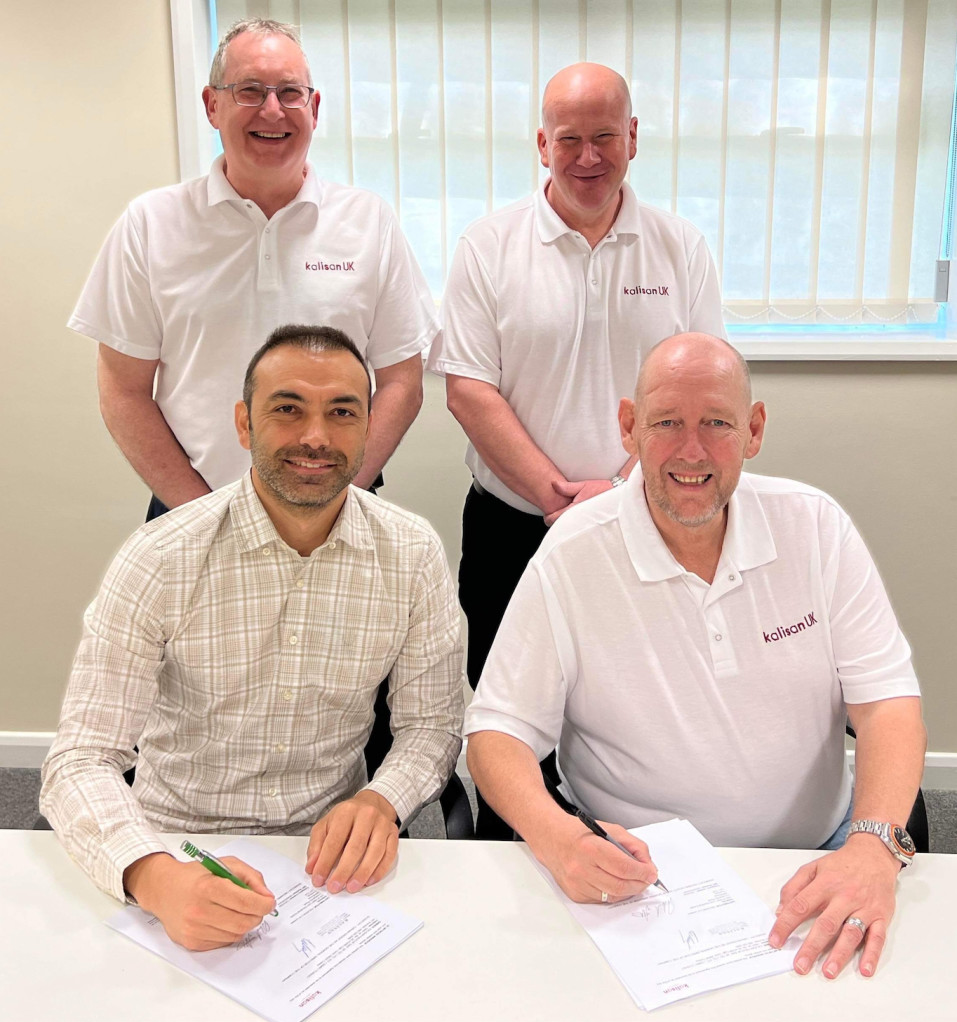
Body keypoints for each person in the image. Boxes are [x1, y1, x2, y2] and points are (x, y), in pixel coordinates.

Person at [465, 332, 925, 981]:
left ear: (753, 429)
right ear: (628, 428)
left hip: (815, 858)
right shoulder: (571, 554)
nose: (690, 450)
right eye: (665, 424)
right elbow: (496, 732)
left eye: (715, 423)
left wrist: (873, 845)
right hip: (637, 885)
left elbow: (887, 705)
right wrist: (556, 834)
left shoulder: (814, 527)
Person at [40, 325, 464, 952]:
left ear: (369, 426)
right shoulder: (161, 557)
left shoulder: (411, 553)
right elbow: (78, 759)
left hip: (328, 861)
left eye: (342, 412)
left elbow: (433, 724)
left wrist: (382, 800)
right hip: (176, 846)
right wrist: (152, 875)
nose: (316, 436)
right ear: (244, 424)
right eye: (287, 409)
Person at [427, 63, 725, 836]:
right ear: (541, 144)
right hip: (510, 522)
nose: (587, 156)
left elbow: (699, 391)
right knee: (507, 704)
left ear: (632, 138)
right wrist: (557, 495)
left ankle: (636, 854)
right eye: (569, 140)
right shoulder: (488, 246)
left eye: (603, 137)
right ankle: (510, 847)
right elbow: (467, 387)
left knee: (630, 703)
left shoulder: (678, 247)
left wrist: (618, 492)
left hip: (649, 522)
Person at [70, 18, 436, 517]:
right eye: (249, 91)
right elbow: (122, 391)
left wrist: (334, 497)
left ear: (314, 107)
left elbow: (402, 382)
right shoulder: (151, 225)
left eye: (290, 92)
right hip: (192, 510)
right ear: (211, 105)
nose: (272, 110)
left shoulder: (369, 221)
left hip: (337, 507)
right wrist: (203, 516)